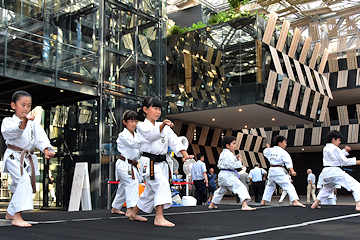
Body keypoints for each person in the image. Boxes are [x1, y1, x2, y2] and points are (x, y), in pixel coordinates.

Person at [1, 90, 55, 227]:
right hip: (14, 155)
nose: (26, 108)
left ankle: (10, 212)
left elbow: (40, 138)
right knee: (23, 181)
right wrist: (23, 123)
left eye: (29, 106)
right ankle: (16, 216)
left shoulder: (33, 124)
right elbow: (12, 132)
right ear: (13, 105)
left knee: (18, 185)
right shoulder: (8, 121)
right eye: (23, 105)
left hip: (27, 158)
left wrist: (46, 149)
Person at [136, 97, 193, 227]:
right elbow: (151, 135)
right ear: (145, 109)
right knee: (161, 185)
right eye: (155, 108)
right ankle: (159, 217)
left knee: (150, 191)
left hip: (162, 163)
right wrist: (162, 125)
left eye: (159, 109)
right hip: (148, 162)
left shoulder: (164, 127)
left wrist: (184, 155)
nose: (158, 111)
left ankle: (133, 212)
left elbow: (175, 141)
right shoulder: (141, 125)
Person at [111, 110, 147, 222]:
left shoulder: (136, 135)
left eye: (135, 121)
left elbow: (140, 149)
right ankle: (131, 210)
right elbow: (134, 144)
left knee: (123, 186)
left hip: (131, 164)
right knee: (132, 183)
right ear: (125, 122)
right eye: (131, 121)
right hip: (124, 164)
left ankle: (115, 207)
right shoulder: (122, 135)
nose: (134, 124)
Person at [311, 131, 360, 211]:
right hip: (334, 171)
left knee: (327, 188)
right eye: (339, 140)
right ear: (334, 139)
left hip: (326, 172)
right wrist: (358, 162)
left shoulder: (326, 148)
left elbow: (336, 157)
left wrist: (344, 151)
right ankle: (358, 204)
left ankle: (315, 203)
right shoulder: (334, 148)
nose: (340, 142)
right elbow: (344, 161)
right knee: (356, 185)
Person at [208, 136, 255, 210]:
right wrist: (239, 160)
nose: (235, 145)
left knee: (221, 190)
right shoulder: (228, 154)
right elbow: (233, 165)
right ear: (227, 145)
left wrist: (235, 158)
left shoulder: (223, 154)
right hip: (228, 175)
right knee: (241, 187)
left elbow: (226, 163)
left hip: (223, 175)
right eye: (233, 143)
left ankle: (212, 204)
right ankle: (244, 205)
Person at [261, 136, 305, 207]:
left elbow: (265, 152)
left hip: (271, 170)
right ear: (280, 143)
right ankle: (295, 201)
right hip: (278, 170)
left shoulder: (270, 150)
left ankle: (263, 201)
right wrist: (292, 171)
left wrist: (268, 147)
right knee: (288, 185)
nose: (285, 144)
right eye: (284, 142)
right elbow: (288, 162)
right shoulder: (283, 152)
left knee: (269, 185)